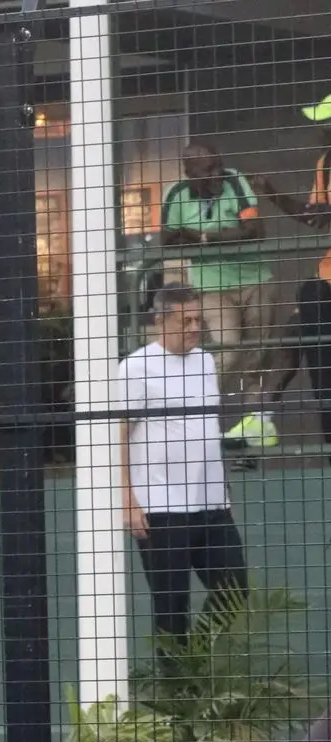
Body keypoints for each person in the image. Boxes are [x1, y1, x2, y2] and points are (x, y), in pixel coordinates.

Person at [118, 284, 248, 645]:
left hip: (211, 504)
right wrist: (128, 500)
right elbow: (120, 435)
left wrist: (223, 491)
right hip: (161, 507)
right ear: (160, 321)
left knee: (235, 589)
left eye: (197, 320)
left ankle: (196, 658)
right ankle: (177, 678)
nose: (194, 328)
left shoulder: (205, 361)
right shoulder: (135, 368)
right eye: (185, 321)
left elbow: (208, 428)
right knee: (171, 607)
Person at [161, 140, 276, 449]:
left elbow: (255, 231)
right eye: (208, 170)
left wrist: (201, 237)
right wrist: (227, 235)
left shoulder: (233, 180)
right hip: (212, 287)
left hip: (255, 280)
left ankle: (256, 425)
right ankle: (197, 415)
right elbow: (168, 239)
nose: (217, 175)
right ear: (190, 173)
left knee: (259, 354)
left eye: (218, 166)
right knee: (228, 349)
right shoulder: (176, 193)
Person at [254, 151, 331, 456]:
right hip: (325, 282)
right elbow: (314, 214)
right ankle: (259, 419)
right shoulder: (326, 162)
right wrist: (273, 194)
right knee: (319, 375)